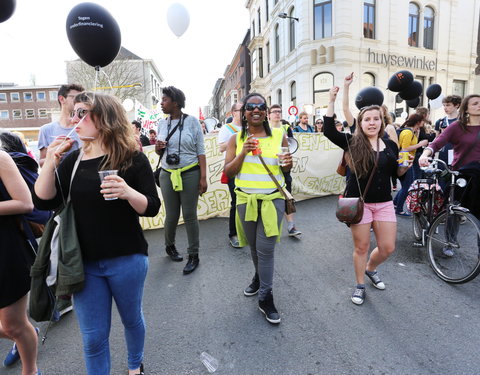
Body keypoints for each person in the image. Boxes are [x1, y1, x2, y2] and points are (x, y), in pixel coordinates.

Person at [33, 92, 160, 375]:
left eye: (83, 113)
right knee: (92, 338)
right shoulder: (73, 161)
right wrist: (50, 163)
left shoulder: (133, 159)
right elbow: (43, 202)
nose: (75, 119)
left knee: (131, 320)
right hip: (84, 263)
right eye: (73, 113)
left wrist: (128, 193)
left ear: (104, 117)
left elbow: (151, 207)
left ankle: (134, 366)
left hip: (127, 258)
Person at [324, 86, 410, 305]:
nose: (372, 123)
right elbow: (329, 131)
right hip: (360, 204)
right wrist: (331, 100)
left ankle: (371, 268)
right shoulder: (353, 143)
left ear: (382, 121)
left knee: (388, 247)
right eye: (367, 119)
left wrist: (404, 167)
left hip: (384, 204)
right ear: (360, 123)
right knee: (361, 247)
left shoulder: (390, 144)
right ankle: (360, 285)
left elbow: (395, 173)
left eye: (376, 119)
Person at [224, 93, 292, 324]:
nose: (256, 110)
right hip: (245, 200)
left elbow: (285, 170)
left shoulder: (279, 136)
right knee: (253, 247)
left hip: (273, 200)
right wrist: (243, 152)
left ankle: (265, 297)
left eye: (260, 106)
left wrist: (288, 165)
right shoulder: (236, 139)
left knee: (265, 250)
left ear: (265, 111)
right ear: (244, 113)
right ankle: (258, 276)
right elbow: (229, 172)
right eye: (250, 107)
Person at [419, 94, 480, 255]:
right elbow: (437, 142)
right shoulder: (458, 127)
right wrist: (426, 154)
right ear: (466, 108)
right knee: (454, 208)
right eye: (475, 103)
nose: (479, 106)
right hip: (462, 173)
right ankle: (450, 242)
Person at [155, 86, 207, 274]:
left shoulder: (192, 122)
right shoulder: (162, 124)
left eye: (165, 100)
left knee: (190, 215)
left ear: (176, 102)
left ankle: (194, 254)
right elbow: (158, 151)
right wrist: (158, 147)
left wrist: (203, 177)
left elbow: (201, 151)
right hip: (167, 173)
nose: (161, 103)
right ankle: (170, 247)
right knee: (171, 214)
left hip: (189, 172)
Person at [0, 141, 40, 375]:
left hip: (5, 249)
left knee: (13, 324)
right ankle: (26, 333)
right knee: (13, 327)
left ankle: (30, 371)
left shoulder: (1, 159)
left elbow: (25, 203)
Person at [268, 104, 301, 237]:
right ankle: (270, 227)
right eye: (274, 111)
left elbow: (291, 145)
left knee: (287, 195)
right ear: (268, 114)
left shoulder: (286, 128)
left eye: (279, 111)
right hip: (270, 168)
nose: (277, 114)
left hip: (284, 167)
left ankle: (291, 226)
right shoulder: (265, 129)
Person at [37, 83, 84, 167]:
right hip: (57, 178)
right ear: (62, 99)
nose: (80, 101)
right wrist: (58, 154)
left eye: (82, 98)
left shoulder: (85, 127)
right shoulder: (46, 130)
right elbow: (41, 163)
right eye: (75, 98)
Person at [217, 102, 243, 248]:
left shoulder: (248, 126)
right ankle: (233, 234)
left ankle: (245, 230)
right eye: (241, 110)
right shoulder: (226, 129)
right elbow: (221, 147)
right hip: (233, 170)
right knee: (236, 201)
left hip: (247, 169)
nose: (244, 112)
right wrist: (237, 138)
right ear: (233, 112)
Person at [393, 114, 428, 216]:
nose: (423, 123)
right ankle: (399, 209)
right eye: (422, 121)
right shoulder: (408, 132)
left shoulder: (411, 131)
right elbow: (405, 149)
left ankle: (396, 204)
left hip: (408, 161)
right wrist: (421, 144)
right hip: (405, 161)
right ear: (418, 122)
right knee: (407, 187)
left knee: (406, 186)